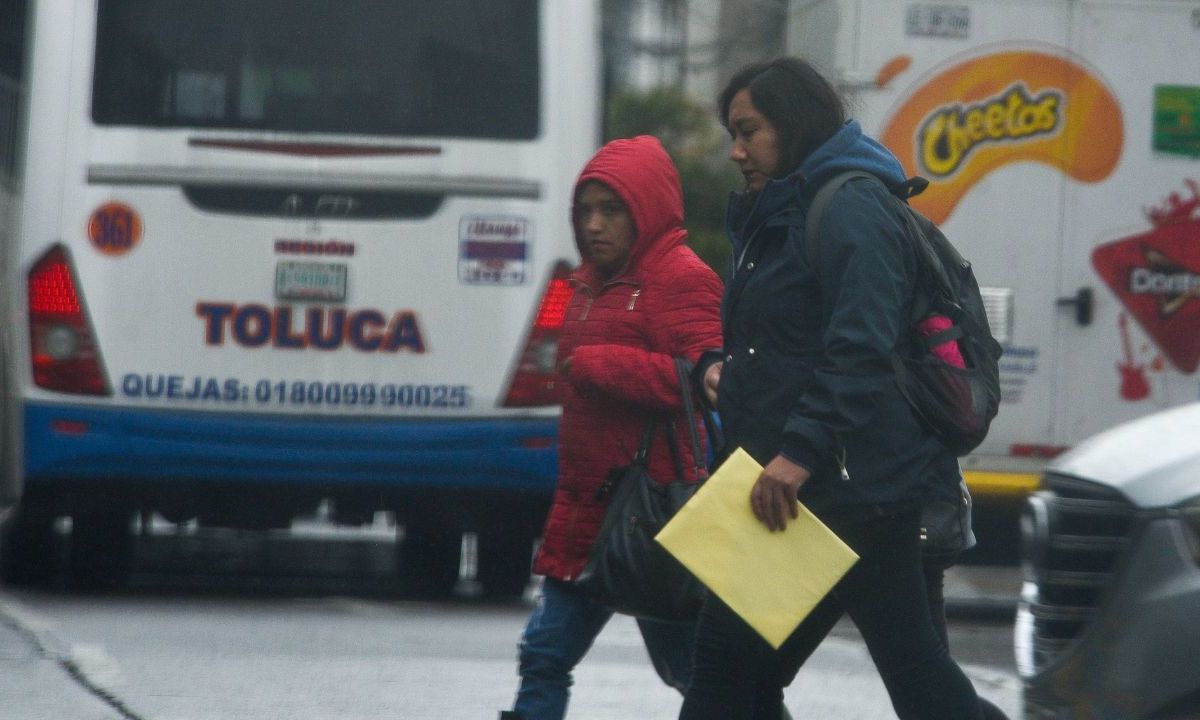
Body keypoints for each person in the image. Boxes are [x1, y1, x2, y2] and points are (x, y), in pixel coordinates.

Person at [678, 57, 988, 720]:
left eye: (748, 130)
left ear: (792, 126)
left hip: (844, 488)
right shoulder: (789, 208)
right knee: (739, 677)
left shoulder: (848, 206)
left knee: (727, 679)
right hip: (803, 488)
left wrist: (798, 452)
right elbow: (790, 340)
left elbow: (862, 347)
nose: (736, 150)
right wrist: (719, 368)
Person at [499, 135, 724, 720]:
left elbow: (709, 379)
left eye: (612, 209)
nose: (594, 225)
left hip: (653, 513)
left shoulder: (682, 278)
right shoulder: (585, 283)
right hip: (585, 508)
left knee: (699, 679)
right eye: (585, 211)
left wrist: (603, 365)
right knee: (544, 654)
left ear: (645, 207)